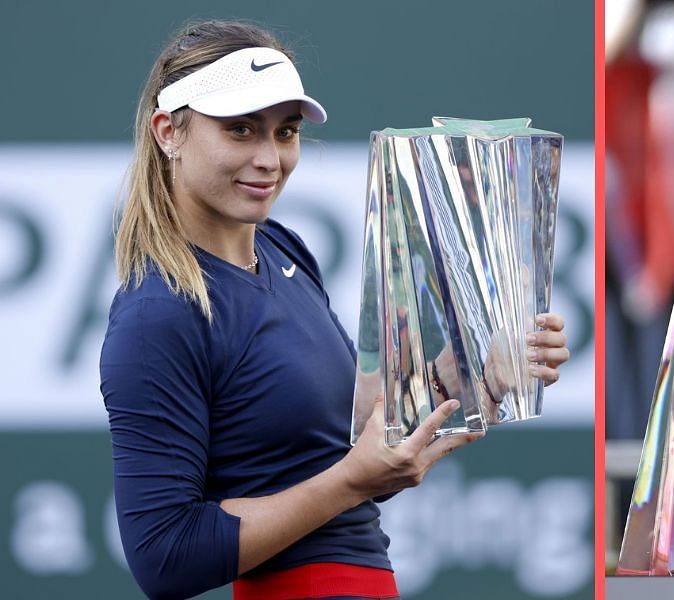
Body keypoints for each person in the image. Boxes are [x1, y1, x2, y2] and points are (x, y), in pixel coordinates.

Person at [100, 20, 570, 600]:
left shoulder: (283, 248)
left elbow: (351, 452)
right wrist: (352, 482)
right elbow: (164, 557)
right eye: (241, 131)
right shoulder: (157, 314)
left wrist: (474, 371)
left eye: (286, 132)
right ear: (169, 132)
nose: (270, 158)